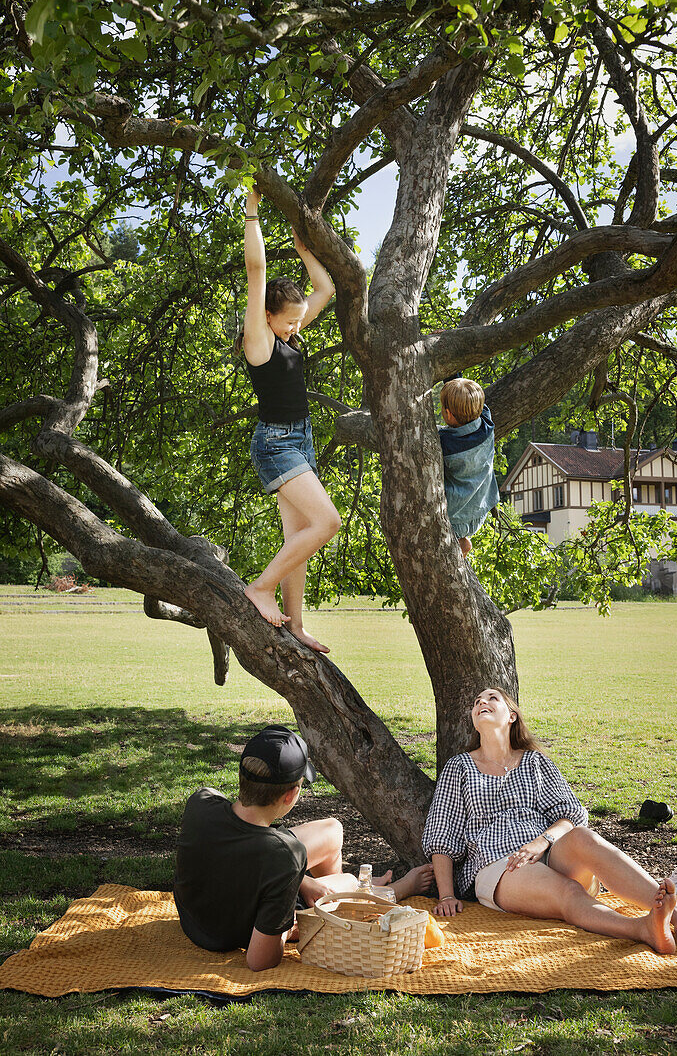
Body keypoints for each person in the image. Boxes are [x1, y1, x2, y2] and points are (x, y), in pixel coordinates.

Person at [422, 687, 677, 954]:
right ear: (474, 720)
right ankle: (643, 929)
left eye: (491, 698)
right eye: (477, 703)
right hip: (497, 863)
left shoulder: (535, 762)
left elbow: (571, 813)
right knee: (568, 891)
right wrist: (446, 896)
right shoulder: (459, 767)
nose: (481, 703)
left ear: (511, 716)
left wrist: (542, 841)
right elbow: (442, 834)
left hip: (546, 849)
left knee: (584, 836)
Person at [174, 724, 433, 972]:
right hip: (230, 931)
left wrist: (301, 881)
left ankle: (332, 896)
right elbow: (258, 961)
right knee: (346, 881)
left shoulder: (201, 801)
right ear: (290, 795)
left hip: (195, 918)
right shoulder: (283, 857)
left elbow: (239, 845)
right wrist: (288, 923)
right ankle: (384, 892)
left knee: (332, 830)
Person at [238, 189, 339, 652]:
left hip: (301, 440)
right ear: (267, 317)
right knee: (328, 523)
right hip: (275, 442)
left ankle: (296, 624)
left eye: (299, 323)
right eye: (289, 323)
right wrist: (254, 211)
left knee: (300, 534)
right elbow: (256, 271)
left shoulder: (290, 333)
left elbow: (326, 290)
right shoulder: (259, 339)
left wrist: (304, 251)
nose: (296, 328)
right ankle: (260, 588)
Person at [439, 376, 499, 556]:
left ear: (448, 414)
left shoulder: (444, 443)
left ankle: (460, 541)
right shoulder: (487, 425)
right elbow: (472, 398)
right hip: (480, 509)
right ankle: (462, 542)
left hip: (455, 519)